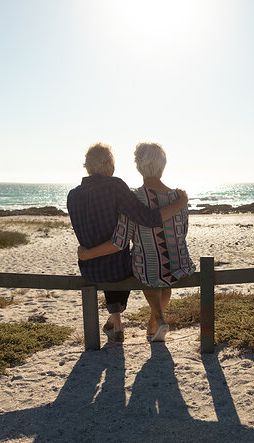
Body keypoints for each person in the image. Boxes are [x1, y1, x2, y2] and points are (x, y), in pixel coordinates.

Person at [67, 143, 188, 343]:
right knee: (138, 261)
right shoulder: (115, 186)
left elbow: (103, 235)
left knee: (131, 259)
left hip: (88, 269)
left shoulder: (72, 195)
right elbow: (152, 221)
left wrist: (87, 254)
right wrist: (181, 202)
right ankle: (147, 322)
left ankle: (116, 320)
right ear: (108, 165)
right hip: (125, 268)